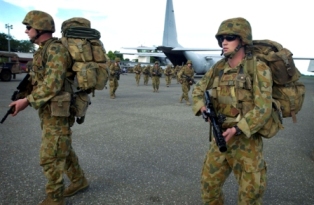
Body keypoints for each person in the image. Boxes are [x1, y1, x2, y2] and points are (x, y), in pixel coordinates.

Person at [10, 10, 89, 205]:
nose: (26, 31)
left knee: (50, 155)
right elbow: (41, 80)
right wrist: (23, 95)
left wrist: (27, 101)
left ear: (41, 28)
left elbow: (53, 84)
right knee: (62, 147)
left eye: (29, 27)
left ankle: (55, 199)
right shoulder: (43, 50)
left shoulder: (55, 50)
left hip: (59, 109)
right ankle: (79, 181)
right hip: (49, 108)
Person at [192, 17, 272, 204]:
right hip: (220, 137)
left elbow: (263, 108)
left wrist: (236, 129)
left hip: (246, 142)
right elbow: (198, 90)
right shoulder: (218, 68)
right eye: (221, 39)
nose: (224, 42)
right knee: (208, 186)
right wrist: (202, 108)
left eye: (229, 38)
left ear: (243, 40)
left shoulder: (258, 68)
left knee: (249, 196)